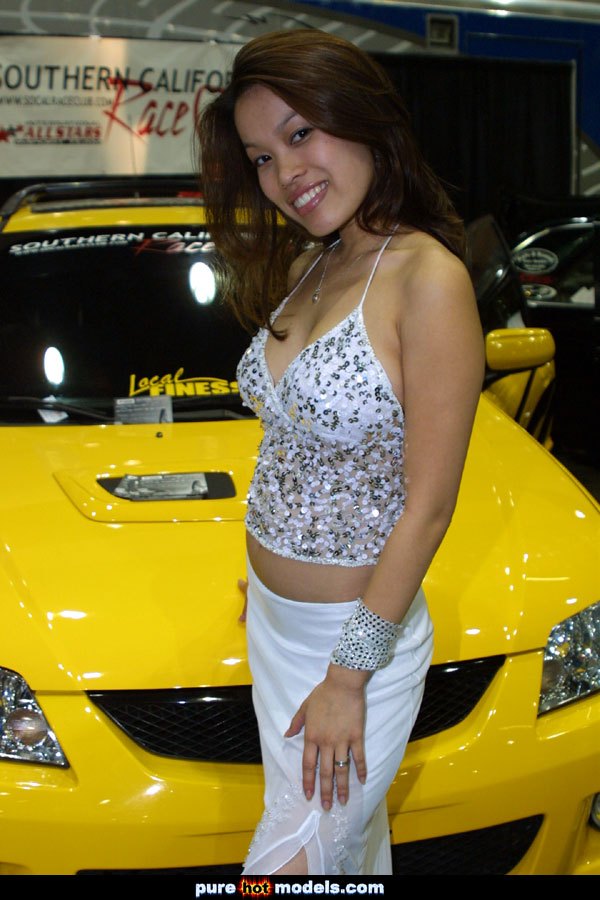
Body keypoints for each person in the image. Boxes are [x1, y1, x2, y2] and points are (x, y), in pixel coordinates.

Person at [197, 29, 484, 877]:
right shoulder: (311, 266)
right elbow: (292, 440)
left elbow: (429, 505)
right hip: (276, 630)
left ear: (361, 118)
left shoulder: (427, 278)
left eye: (299, 134)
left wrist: (349, 676)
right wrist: (270, 577)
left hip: (356, 649)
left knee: (283, 874)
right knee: (348, 860)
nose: (284, 173)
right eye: (261, 156)